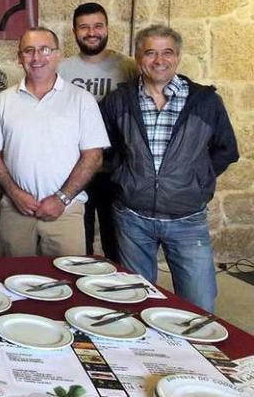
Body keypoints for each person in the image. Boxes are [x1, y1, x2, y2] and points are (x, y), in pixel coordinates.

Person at [101, 25, 238, 312]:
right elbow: (105, 147)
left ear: (177, 57)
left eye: (167, 52)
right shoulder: (119, 101)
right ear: (138, 57)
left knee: (199, 309)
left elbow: (226, 150)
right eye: (150, 52)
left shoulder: (205, 101)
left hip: (187, 221)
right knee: (135, 303)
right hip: (132, 218)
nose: (159, 60)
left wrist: (195, 179)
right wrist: (125, 175)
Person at [0, 27, 109, 257]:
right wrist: (14, 193)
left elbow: (93, 156)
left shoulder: (81, 100)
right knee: (13, 283)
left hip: (66, 211)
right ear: (19, 56)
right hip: (16, 211)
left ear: (58, 54)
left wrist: (62, 198)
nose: (37, 58)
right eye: (29, 51)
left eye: (45, 50)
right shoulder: (3, 101)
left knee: (67, 284)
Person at [58, 2, 137, 261]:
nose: (91, 32)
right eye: (84, 27)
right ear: (74, 32)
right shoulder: (63, 69)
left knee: (117, 242)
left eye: (97, 26)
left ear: (107, 28)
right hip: (76, 169)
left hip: (116, 170)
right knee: (79, 243)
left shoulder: (128, 67)